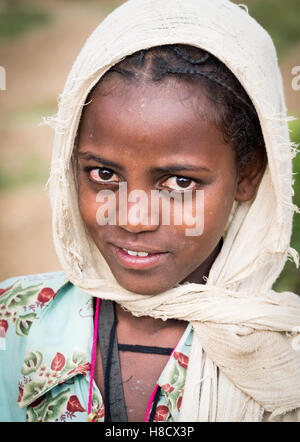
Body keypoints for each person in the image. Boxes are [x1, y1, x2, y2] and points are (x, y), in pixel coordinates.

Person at [0, 0, 300, 423]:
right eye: (103, 173)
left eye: (179, 182)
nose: (133, 218)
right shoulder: (16, 322)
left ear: (247, 175)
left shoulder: (284, 358)